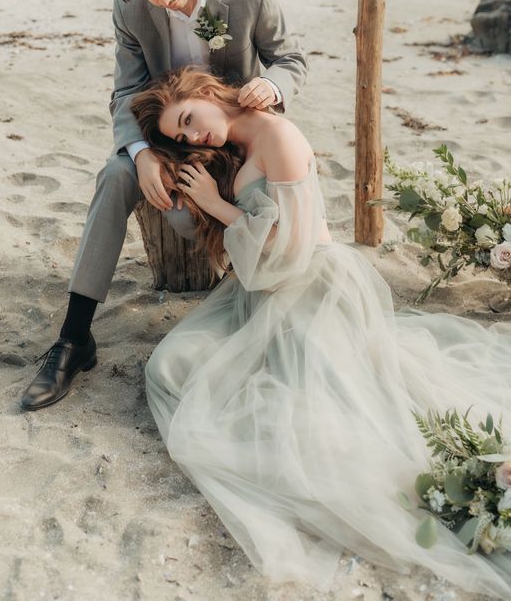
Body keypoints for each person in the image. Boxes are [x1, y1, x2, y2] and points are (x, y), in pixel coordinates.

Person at [130, 66, 511, 600]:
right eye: (182, 137)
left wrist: (217, 204)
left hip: (308, 286)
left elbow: (292, 248)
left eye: (189, 121)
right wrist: (163, 165)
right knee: (171, 367)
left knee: (309, 407)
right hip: (261, 290)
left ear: (206, 92)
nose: (193, 138)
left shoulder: (278, 136)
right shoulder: (239, 143)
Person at [21, 0, 307, 410]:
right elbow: (128, 91)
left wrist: (274, 84)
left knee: (184, 217)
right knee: (114, 174)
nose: (162, 1)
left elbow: (292, 59)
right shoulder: (130, 8)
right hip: (167, 139)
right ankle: (74, 337)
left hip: (233, 141)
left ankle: (236, 292)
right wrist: (143, 153)